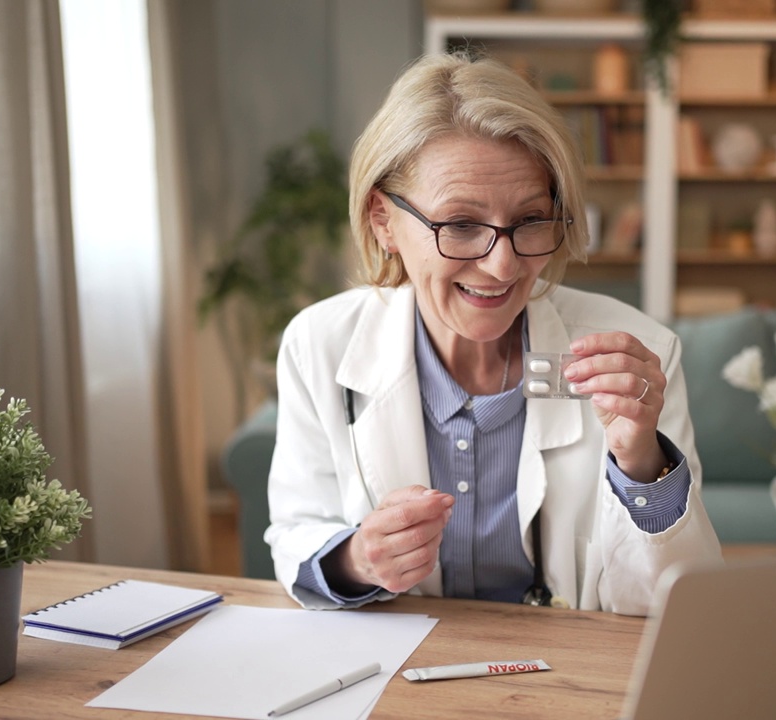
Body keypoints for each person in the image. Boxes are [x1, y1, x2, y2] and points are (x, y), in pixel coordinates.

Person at [265, 51, 722, 615]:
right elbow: (295, 529)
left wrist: (642, 467)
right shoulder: (319, 343)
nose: (503, 266)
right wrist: (357, 559)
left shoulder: (638, 355)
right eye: (459, 225)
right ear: (383, 220)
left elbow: (679, 604)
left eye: (529, 221)